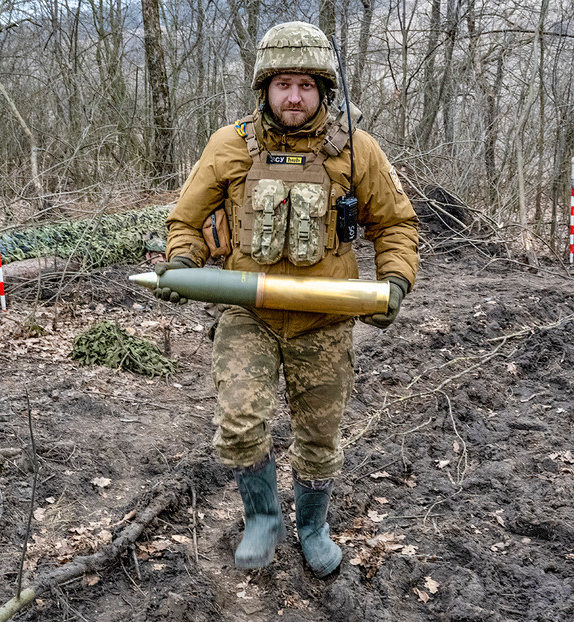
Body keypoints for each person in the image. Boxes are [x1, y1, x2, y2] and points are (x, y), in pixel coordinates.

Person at [155, 21, 419, 577]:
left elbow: (395, 224)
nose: (293, 96)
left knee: (319, 436)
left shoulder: (357, 151)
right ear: (264, 88)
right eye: (282, 84)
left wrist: (395, 281)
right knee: (240, 421)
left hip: (325, 318)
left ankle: (312, 526)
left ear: (323, 88)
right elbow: (186, 217)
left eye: (305, 84)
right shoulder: (228, 146)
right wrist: (183, 265)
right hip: (247, 312)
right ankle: (262, 517)